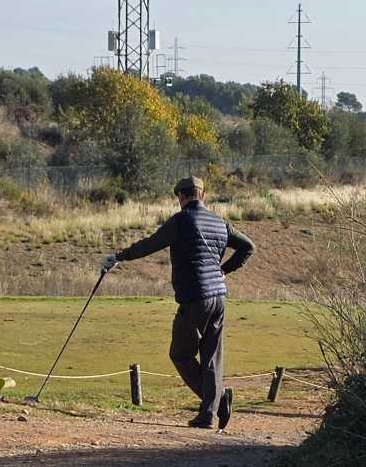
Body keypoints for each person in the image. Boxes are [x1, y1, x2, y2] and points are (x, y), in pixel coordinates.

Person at [101, 177, 255, 430]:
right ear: (202, 196)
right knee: (211, 358)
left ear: (181, 197)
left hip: (195, 298)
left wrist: (119, 256)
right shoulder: (219, 222)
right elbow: (248, 247)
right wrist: (224, 270)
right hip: (219, 297)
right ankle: (209, 413)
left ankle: (215, 402)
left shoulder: (180, 221)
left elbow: (150, 245)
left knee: (180, 354)